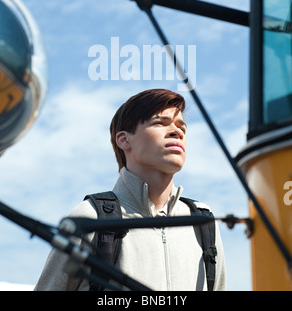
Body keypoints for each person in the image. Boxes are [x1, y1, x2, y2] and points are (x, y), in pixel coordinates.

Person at [34, 88, 226, 291]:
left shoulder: (203, 223)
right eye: (160, 123)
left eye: (182, 128)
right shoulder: (90, 219)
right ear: (124, 140)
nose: (176, 132)